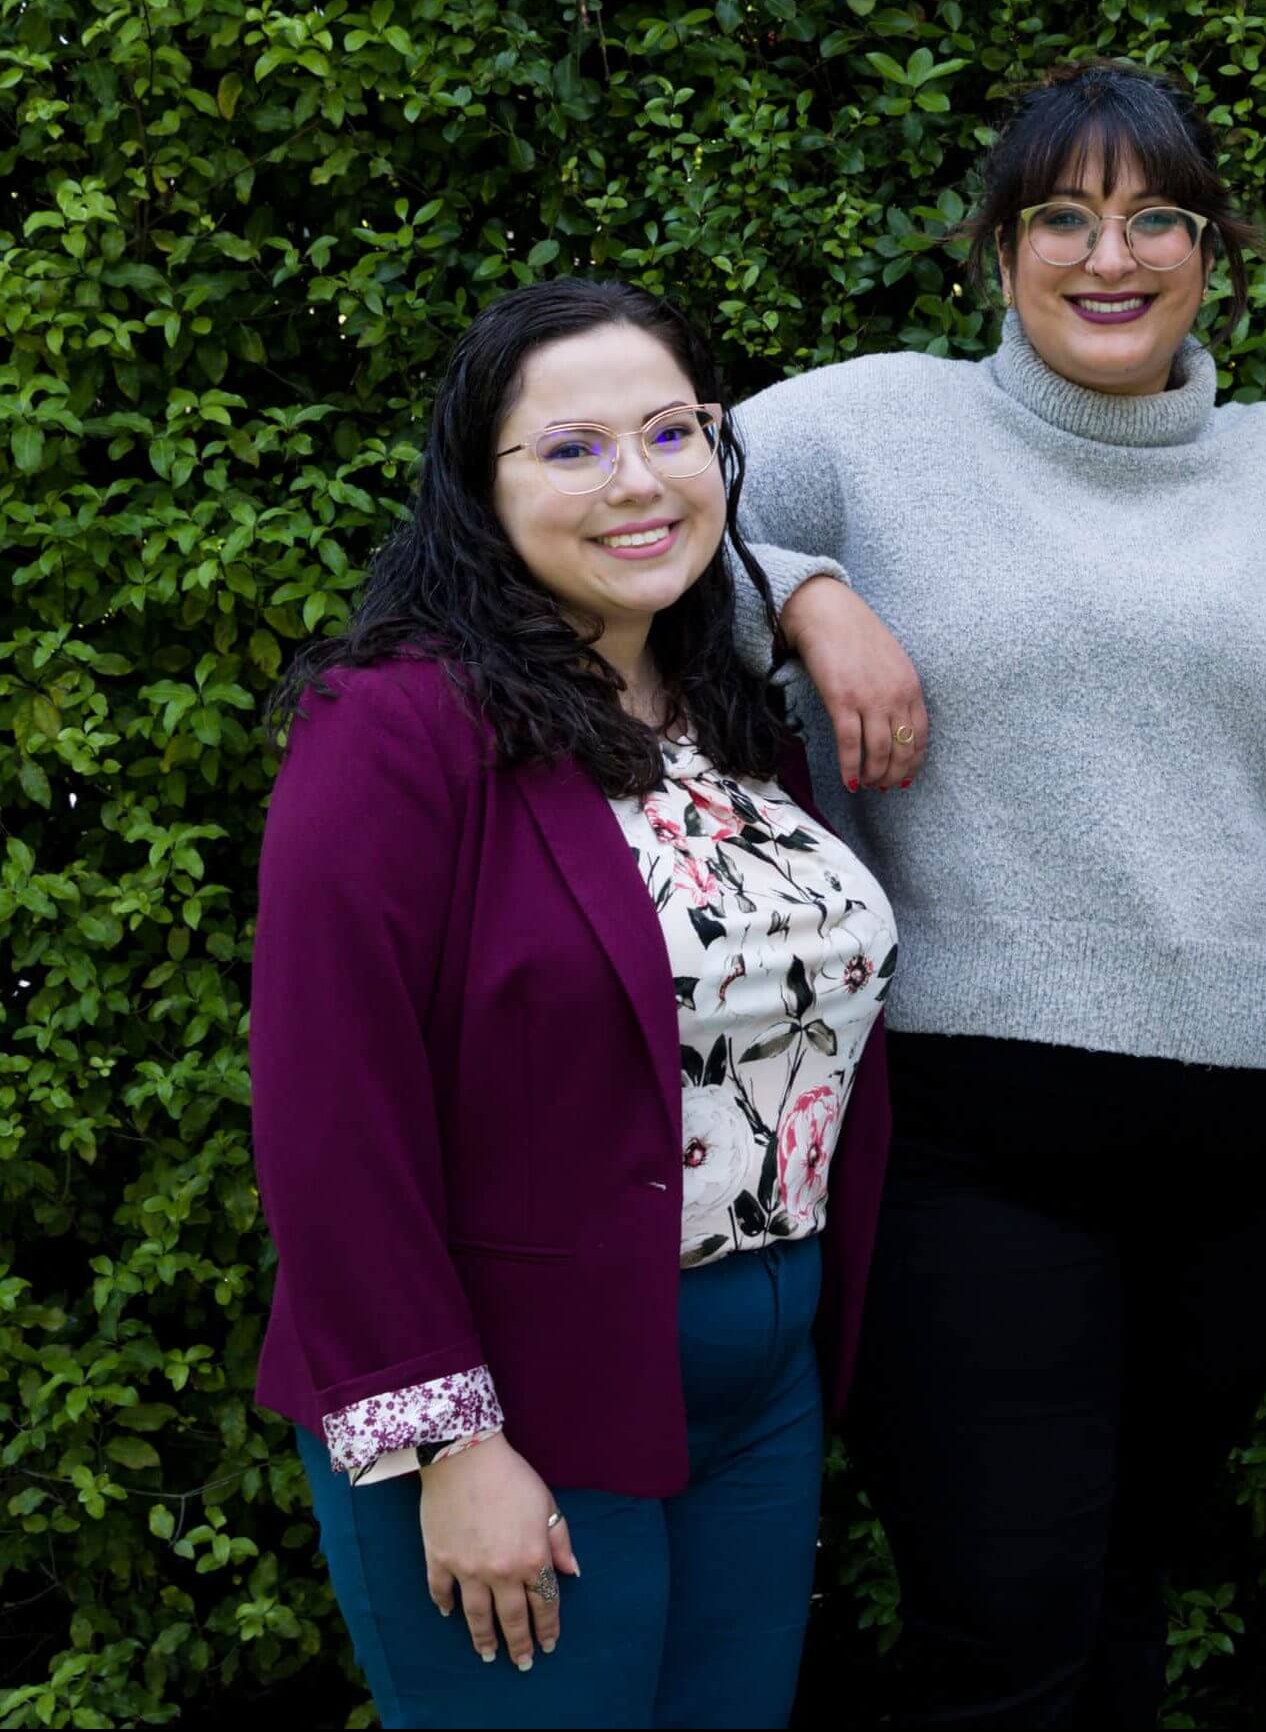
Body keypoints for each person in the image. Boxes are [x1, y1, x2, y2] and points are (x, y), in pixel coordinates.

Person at [726, 60, 1266, 1726]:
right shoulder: (867, 424)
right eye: (1062, 216)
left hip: (1261, 1144)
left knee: (1119, 1591)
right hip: (973, 1125)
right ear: (997, 248)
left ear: (1210, 251)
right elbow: (629, 518)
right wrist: (814, 593)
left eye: (1153, 218)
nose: (1106, 256)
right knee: (1004, 1620)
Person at [251, 278, 896, 1729]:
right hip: (516, 1393)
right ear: (481, 493)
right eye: (571, 448)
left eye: (670, 432)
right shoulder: (398, 723)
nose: (636, 482)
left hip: (762, 1385)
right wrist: (447, 1442)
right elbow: (327, 1111)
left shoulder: (729, 716)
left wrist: (813, 594)